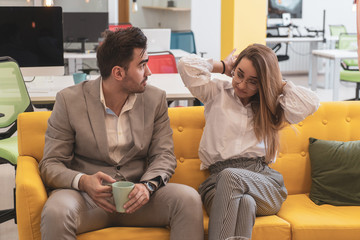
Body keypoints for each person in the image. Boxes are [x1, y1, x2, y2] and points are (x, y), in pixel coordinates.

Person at [39, 27, 204, 240]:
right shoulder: (69, 101)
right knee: (56, 211)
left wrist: (147, 186)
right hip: (88, 199)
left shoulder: (155, 100)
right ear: (118, 72)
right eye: (142, 65)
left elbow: (164, 156)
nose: (149, 72)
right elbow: (50, 163)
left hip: (140, 197)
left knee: (188, 199)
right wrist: (83, 181)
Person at [178, 44, 320, 240]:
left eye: (253, 82)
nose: (242, 85)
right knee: (246, 203)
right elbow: (185, 66)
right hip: (217, 184)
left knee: (232, 178)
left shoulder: (271, 106)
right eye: (239, 74)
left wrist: (278, 83)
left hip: (263, 183)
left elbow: (311, 103)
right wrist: (222, 66)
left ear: (263, 83)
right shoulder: (217, 92)